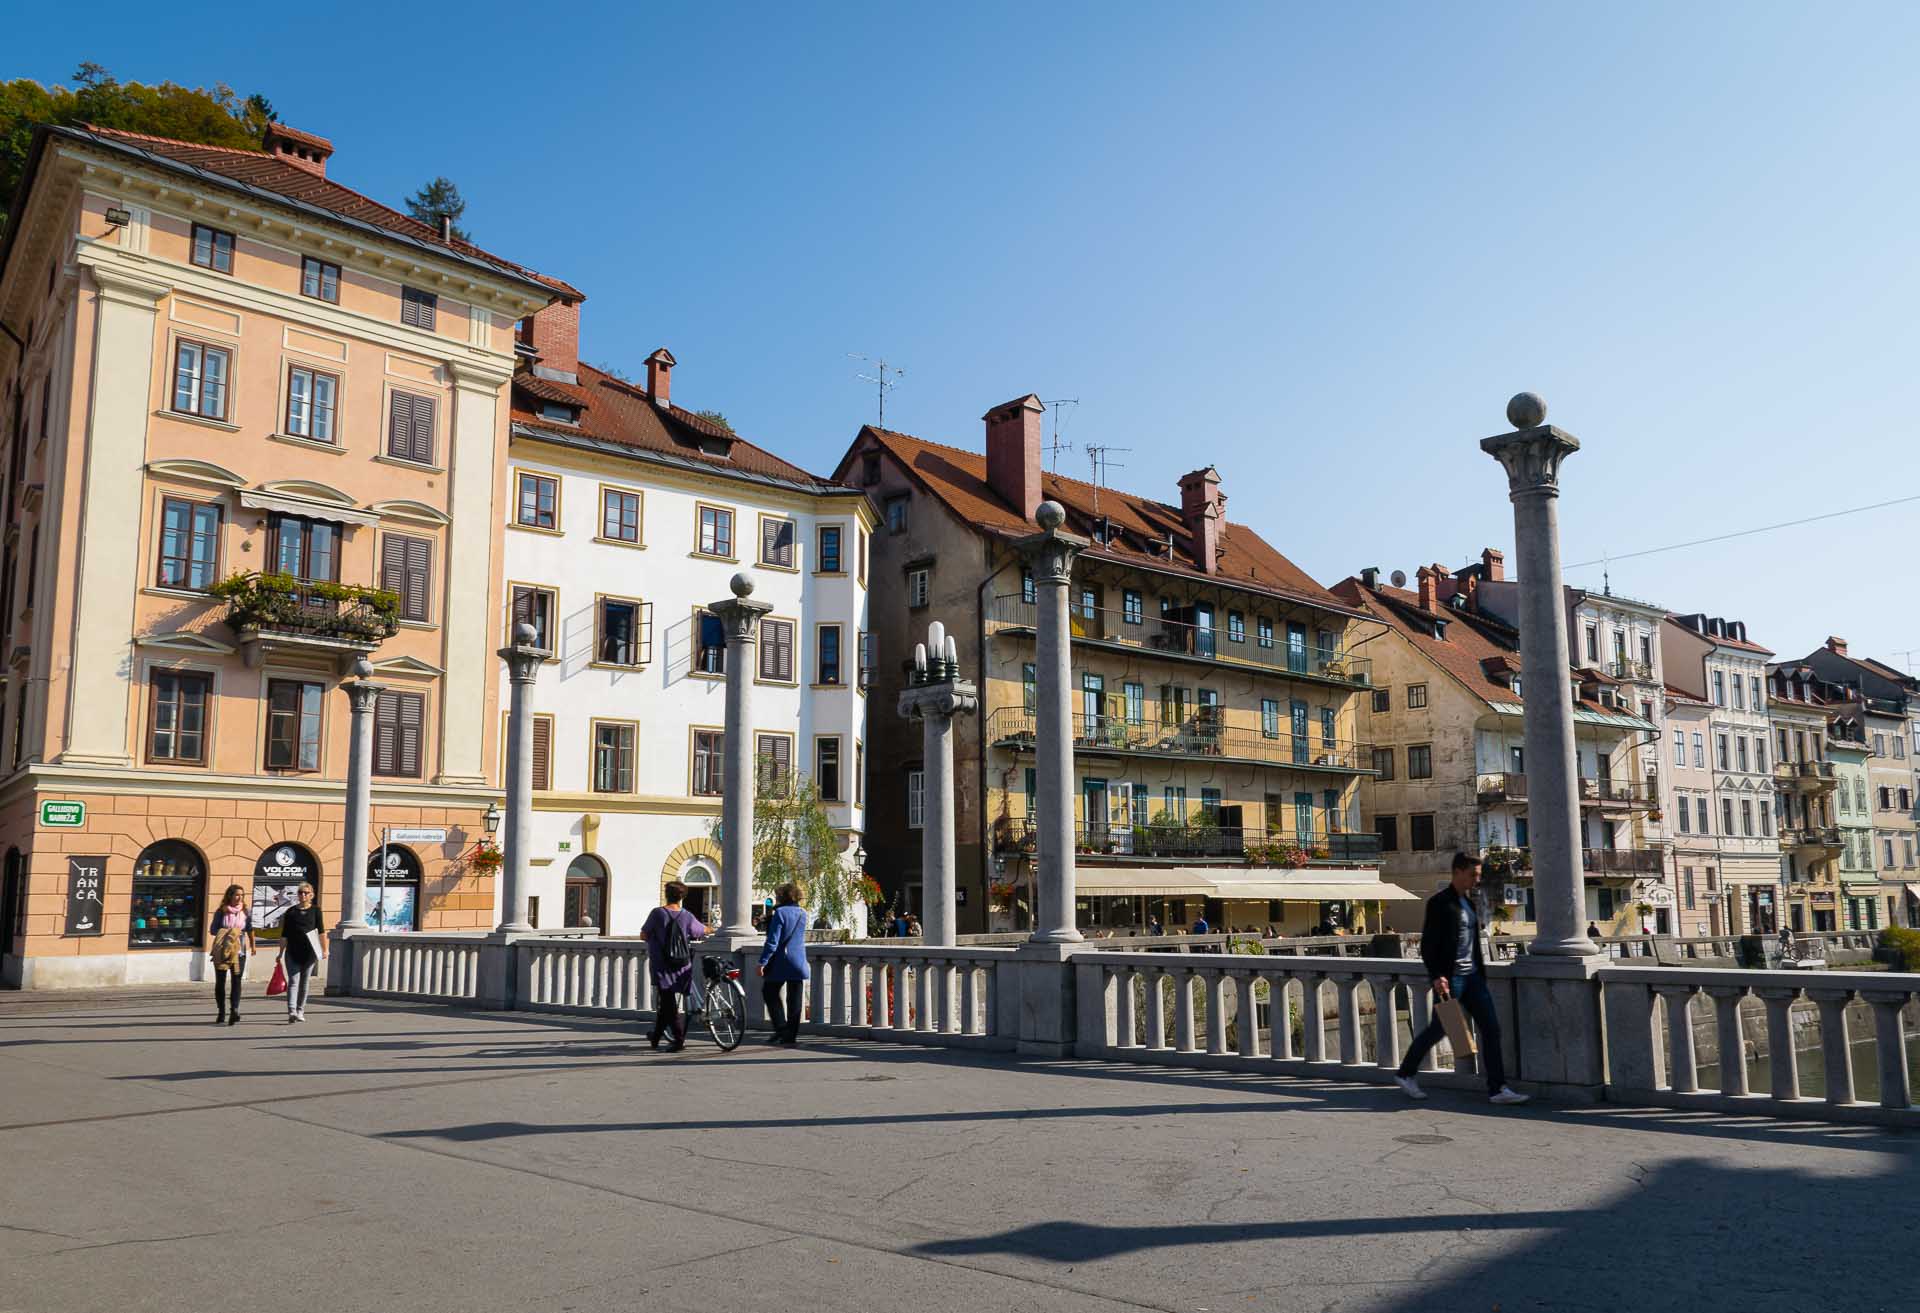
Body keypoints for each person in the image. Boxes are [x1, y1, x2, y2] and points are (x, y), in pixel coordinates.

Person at [1394, 853, 1529, 1106]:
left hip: (1473, 977)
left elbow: (1473, 944)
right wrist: (1437, 976)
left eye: (1478, 875)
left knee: (1491, 1029)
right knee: (1440, 1028)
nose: (1476, 880)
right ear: (1457, 872)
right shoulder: (1440, 903)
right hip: (1451, 978)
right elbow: (1429, 945)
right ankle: (1405, 1073)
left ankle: (1498, 1088)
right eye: (1472, 875)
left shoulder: (1469, 902)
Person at [642, 881, 708, 1051]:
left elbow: (644, 934)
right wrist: (711, 928)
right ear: (682, 897)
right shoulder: (687, 915)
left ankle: (678, 1040)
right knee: (667, 1003)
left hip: (662, 964)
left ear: (666, 894)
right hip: (682, 964)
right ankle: (656, 1037)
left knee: (668, 1002)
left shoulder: (658, 913)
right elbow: (699, 931)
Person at [758, 881, 811, 1045]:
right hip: (798, 961)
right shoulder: (803, 913)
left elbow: (773, 942)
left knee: (769, 992)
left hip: (781, 961)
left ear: (782, 897)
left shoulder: (780, 913)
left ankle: (780, 1028)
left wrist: (763, 962)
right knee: (795, 999)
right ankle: (791, 1035)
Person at [275, 882, 327, 1023]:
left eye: (306, 893)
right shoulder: (291, 912)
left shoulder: (316, 911)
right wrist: (280, 953)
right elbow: (284, 934)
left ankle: (300, 1010)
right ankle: (291, 1011)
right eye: (300, 892)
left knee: (304, 983)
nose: (303, 895)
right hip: (292, 951)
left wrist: (324, 949)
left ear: (311, 895)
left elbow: (321, 932)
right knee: (293, 981)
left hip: (310, 953)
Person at [208, 884, 255, 1026]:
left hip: (239, 951)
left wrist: (253, 945)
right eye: (236, 895)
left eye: (242, 895)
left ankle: (234, 1010)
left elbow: (250, 929)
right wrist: (229, 933)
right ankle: (221, 1011)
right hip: (222, 950)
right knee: (220, 982)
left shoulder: (245, 911)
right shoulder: (221, 912)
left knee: (237, 980)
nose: (239, 898)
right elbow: (213, 930)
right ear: (230, 896)